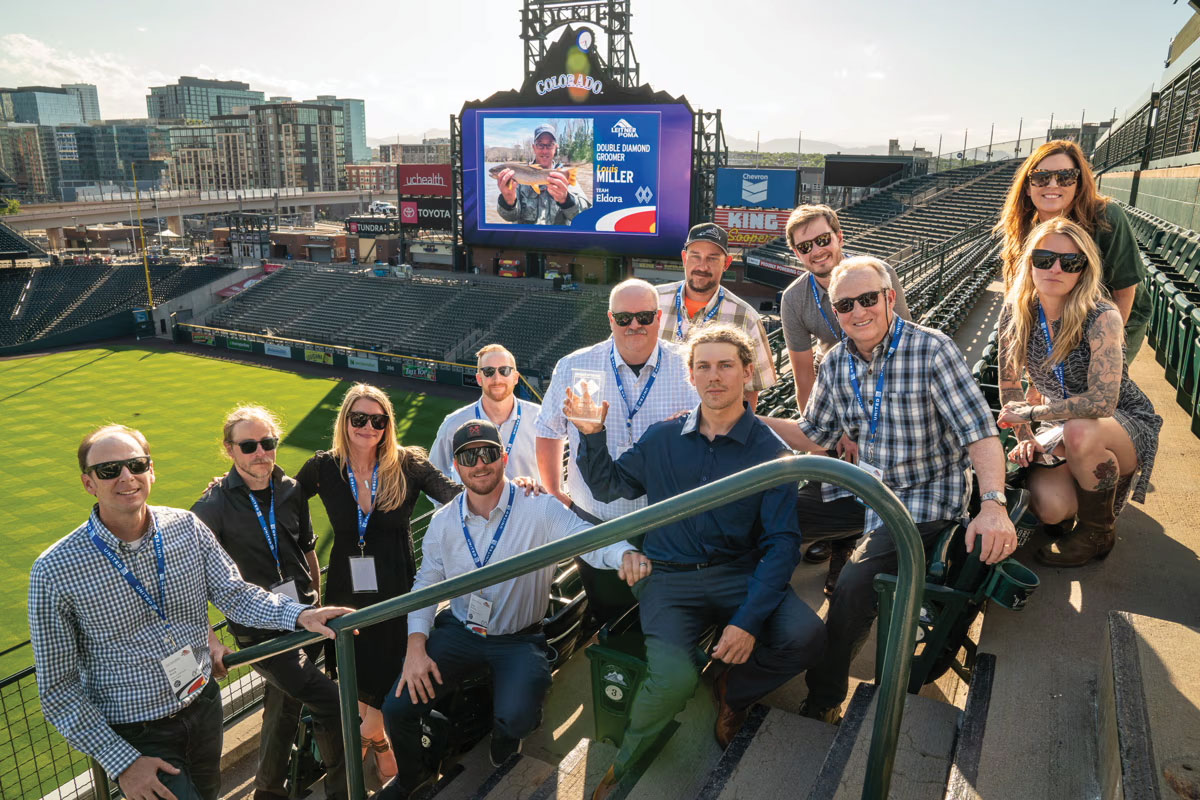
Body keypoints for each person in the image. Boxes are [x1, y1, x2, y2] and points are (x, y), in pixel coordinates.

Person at [570, 324, 825, 800]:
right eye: (703, 366)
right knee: (671, 680)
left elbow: (782, 545)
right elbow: (609, 486)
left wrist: (747, 622)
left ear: (748, 373)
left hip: (738, 576)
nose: (714, 376)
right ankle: (625, 764)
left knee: (806, 636)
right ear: (690, 375)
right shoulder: (663, 438)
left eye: (726, 365)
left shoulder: (772, 453)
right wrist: (592, 435)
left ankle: (735, 690)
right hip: (670, 581)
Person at [28, 425, 351, 800]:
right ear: (88, 483)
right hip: (138, 734)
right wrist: (122, 762)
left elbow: (236, 594)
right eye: (109, 470)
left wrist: (298, 615)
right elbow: (57, 688)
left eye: (136, 464)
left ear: (151, 471)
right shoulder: (55, 569)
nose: (126, 477)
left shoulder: (185, 527)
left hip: (203, 705)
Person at [761, 257, 1017, 724]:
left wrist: (993, 504)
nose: (858, 311)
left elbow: (981, 432)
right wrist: (747, 421)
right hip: (862, 487)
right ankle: (750, 639)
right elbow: (813, 435)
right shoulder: (836, 361)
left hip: (920, 497)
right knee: (766, 515)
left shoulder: (931, 349)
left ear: (889, 298)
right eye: (845, 305)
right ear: (834, 312)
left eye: (867, 299)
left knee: (855, 583)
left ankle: (823, 697)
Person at [378, 420, 640, 798]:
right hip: (461, 632)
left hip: (520, 638)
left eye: (487, 452)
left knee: (517, 717)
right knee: (396, 708)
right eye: (469, 456)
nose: (479, 463)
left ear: (503, 457)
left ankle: (505, 732)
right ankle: (412, 777)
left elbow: (588, 540)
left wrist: (624, 553)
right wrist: (415, 647)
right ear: (456, 465)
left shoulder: (538, 508)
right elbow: (425, 588)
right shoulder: (442, 522)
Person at [295, 383, 462, 783]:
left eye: (378, 419)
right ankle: (379, 740)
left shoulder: (409, 464)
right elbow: (281, 502)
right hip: (346, 593)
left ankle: (373, 736)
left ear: (388, 424)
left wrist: (512, 490)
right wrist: (227, 482)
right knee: (355, 671)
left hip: (397, 590)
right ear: (345, 421)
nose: (368, 426)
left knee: (390, 673)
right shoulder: (323, 467)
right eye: (359, 418)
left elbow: (459, 496)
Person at [191, 407, 345, 800]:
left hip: (305, 619)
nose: (260, 452)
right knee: (332, 701)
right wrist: (211, 641)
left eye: (267, 443)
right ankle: (344, 789)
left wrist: (316, 599)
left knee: (284, 710)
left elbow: (307, 550)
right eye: (248, 445)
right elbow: (188, 584)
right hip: (260, 633)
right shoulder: (211, 507)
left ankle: (268, 792)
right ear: (230, 450)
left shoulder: (291, 490)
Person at [997, 218, 1161, 567]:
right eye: (1044, 259)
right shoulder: (1014, 311)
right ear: (1029, 261)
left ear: (1084, 270)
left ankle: (1097, 532)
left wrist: (1029, 415)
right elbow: (1010, 385)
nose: (1055, 268)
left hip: (1121, 421)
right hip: (1061, 422)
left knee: (1081, 429)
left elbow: (1103, 402)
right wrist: (1025, 436)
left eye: (1069, 262)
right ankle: (1091, 491)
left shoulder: (1102, 315)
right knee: (1050, 508)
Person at [535, 278, 699, 622]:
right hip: (597, 519)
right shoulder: (574, 365)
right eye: (624, 318)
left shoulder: (690, 366)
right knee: (608, 609)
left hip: (667, 520)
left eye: (644, 316)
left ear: (658, 317)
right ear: (611, 319)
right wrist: (554, 491)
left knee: (669, 616)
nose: (634, 325)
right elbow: (548, 432)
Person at [778, 204, 912, 574]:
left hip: (885, 379)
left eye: (823, 239)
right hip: (834, 385)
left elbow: (900, 350)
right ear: (796, 253)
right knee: (832, 458)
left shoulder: (878, 274)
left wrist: (860, 429)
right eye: (805, 247)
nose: (817, 251)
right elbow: (804, 375)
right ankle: (842, 540)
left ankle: (856, 545)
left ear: (839, 236)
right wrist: (826, 437)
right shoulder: (794, 298)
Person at [996, 139, 1151, 363]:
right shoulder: (1025, 226)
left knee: (1091, 391)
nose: (1052, 184)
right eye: (1041, 177)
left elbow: (1124, 292)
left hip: (1114, 320)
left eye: (1065, 177)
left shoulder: (1107, 218)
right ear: (1028, 187)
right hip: (1058, 319)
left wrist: (1106, 352)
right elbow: (1021, 295)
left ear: (1078, 184)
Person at [655, 222, 776, 408]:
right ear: (684, 258)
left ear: (726, 263)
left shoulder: (746, 317)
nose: (702, 266)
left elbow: (751, 390)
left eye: (712, 259)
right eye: (695, 257)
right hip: (655, 420)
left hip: (712, 429)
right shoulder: (652, 302)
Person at [430, 344, 541, 487]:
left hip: (529, 508)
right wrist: (452, 507)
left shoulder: (540, 418)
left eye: (504, 371)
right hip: (475, 510)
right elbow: (434, 476)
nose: (497, 378)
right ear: (479, 378)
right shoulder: (454, 424)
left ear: (515, 377)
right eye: (488, 371)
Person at [495, 124, 592, 226]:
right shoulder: (515, 176)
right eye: (540, 144)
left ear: (555, 147)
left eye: (549, 145)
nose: (545, 150)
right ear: (534, 147)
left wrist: (567, 200)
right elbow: (509, 217)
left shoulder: (565, 176)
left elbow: (584, 217)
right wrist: (508, 200)